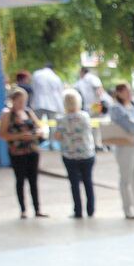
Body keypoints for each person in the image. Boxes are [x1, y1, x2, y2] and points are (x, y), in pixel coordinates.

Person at [0, 87, 46, 219]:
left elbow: (40, 127)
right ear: (13, 100)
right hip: (17, 152)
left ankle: (37, 209)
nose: (22, 104)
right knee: (20, 180)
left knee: (33, 180)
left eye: (23, 101)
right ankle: (23, 209)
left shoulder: (28, 112)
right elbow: (2, 134)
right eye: (19, 101)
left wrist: (36, 133)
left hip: (32, 150)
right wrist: (19, 136)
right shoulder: (7, 114)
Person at [110, 83, 134, 219]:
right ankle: (128, 208)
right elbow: (128, 125)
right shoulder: (116, 108)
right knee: (126, 178)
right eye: (125, 91)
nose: (128, 94)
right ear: (119, 93)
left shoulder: (132, 106)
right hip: (125, 146)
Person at [54, 89, 96, 218]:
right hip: (87, 154)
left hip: (70, 155)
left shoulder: (61, 119)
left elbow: (57, 136)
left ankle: (78, 211)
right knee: (88, 181)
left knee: (74, 184)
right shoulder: (85, 116)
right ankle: (91, 209)